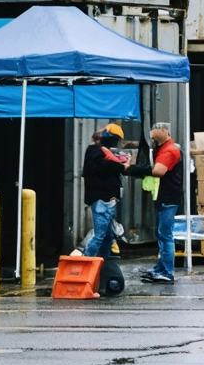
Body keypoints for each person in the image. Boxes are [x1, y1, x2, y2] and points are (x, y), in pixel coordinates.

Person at [77, 124, 147, 260]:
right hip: (103, 198)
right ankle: (86, 262)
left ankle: (103, 261)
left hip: (106, 199)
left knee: (108, 235)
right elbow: (106, 166)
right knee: (100, 235)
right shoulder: (96, 152)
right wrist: (122, 166)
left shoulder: (102, 152)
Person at [139, 122, 184, 285]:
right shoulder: (162, 148)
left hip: (168, 197)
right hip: (163, 196)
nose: (152, 131)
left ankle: (167, 271)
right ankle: (161, 268)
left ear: (165, 131)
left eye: (155, 128)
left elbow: (158, 171)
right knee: (161, 233)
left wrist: (136, 170)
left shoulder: (169, 150)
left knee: (165, 235)